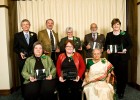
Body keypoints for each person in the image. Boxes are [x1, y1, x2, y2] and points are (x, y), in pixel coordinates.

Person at [104, 18, 132, 99]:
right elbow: (106, 45)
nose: (116, 26)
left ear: (120, 25)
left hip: (123, 59)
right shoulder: (109, 34)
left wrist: (125, 49)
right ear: (112, 26)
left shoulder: (125, 34)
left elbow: (130, 44)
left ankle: (121, 91)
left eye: (117, 24)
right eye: (114, 24)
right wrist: (107, 50)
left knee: (122, 75)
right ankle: (113, 90)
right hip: (112, 58)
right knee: (113, 74)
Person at [13, 19, 37, 84]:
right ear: (21, 26)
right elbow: (15, 48)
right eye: (24, 24)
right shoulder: (17, 35)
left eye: (27, 24)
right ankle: (24, 92)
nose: (26, 26)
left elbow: (36, 46)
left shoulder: (34, 34)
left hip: (32, 58)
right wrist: (20, 53)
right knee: (23, 75)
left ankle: (33, 91)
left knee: (33, 74)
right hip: (22, 59)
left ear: (29, 26)